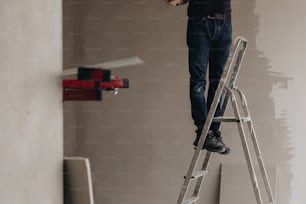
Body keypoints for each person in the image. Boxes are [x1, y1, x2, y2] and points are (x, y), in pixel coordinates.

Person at [166, 0, 232, 154]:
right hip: (200, 22)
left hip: (224, 21)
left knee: (219, 84)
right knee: (198, 81)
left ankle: (214, 132)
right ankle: (203, 132)